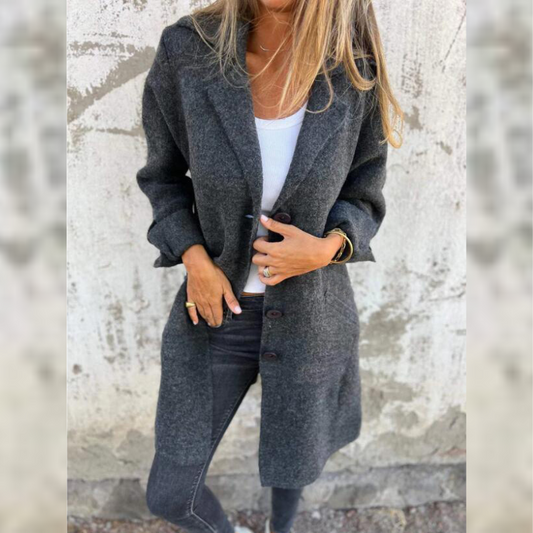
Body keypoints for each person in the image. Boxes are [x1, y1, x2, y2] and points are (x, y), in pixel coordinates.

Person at [136, 1, 403, 532]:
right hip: (215, 313)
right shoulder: (188, 51)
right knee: (170, 494)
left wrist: (328, 248)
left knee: (293, 465)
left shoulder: (353, 66)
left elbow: (364, 192)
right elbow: (162, 178)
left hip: (311, 316)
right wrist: (194, 258)